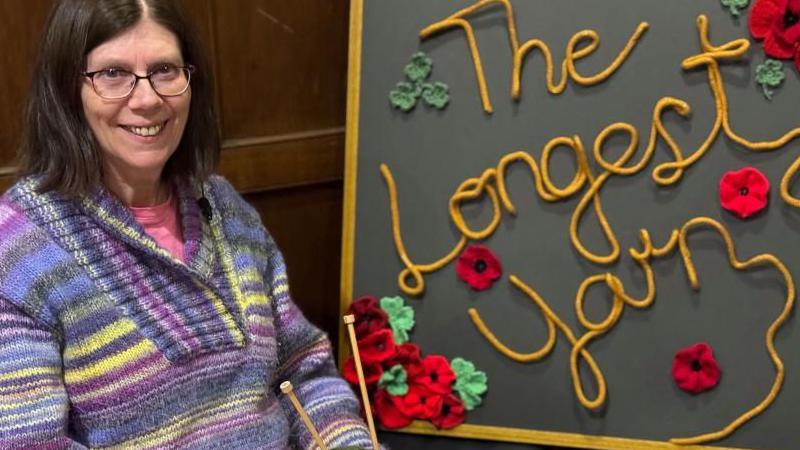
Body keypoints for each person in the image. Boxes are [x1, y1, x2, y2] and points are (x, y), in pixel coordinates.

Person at [0, 0, 377, 448]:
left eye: (164, 70)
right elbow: (28, 442)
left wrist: (347, 442)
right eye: (112, 74)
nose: (146, 98)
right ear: (67, 91)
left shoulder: (223, 206)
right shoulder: (19, 248)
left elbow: (303, 371)